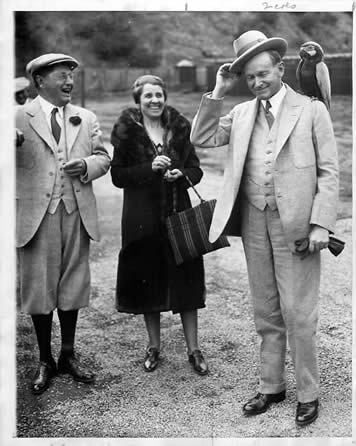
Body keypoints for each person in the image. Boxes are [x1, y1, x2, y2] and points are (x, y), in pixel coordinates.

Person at [191, 30, 338, 426]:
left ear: (280, 67)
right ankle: (271, 385)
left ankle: (309, 392)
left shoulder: (311, 109)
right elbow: (201, 137)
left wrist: (322, 222)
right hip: (255, 220)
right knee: (265, 309)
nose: (257, 83)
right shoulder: (240, 113)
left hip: (299, 225)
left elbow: (328, 172)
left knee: (298, 312)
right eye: (250, 77)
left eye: (263, 74)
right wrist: (220, 88)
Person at [16, 53, 111, 394]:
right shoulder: (16, 117)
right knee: (39, 287)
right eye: (61, 75)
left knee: (72, 283)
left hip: (74, 211)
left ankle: (68, 355)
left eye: (71, 75)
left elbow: (104, 158)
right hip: (35, 216)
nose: (69, 81)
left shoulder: (85, 117)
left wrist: (86, 165)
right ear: (40, 80)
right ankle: (45, 359)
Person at [110, 75, 208, 376]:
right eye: (148, 96)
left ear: (165, 97)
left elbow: (196, 168)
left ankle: (194, 349)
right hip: (142, 219)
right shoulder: (126, 133)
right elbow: (117, 176)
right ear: (138, 101)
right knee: (147, 281)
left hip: (178, 215)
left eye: (159, 95)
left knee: (187, 282)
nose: (155, 100)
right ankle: (154, 346)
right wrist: (148, 169)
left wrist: (181, 173)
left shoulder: (179, 128)